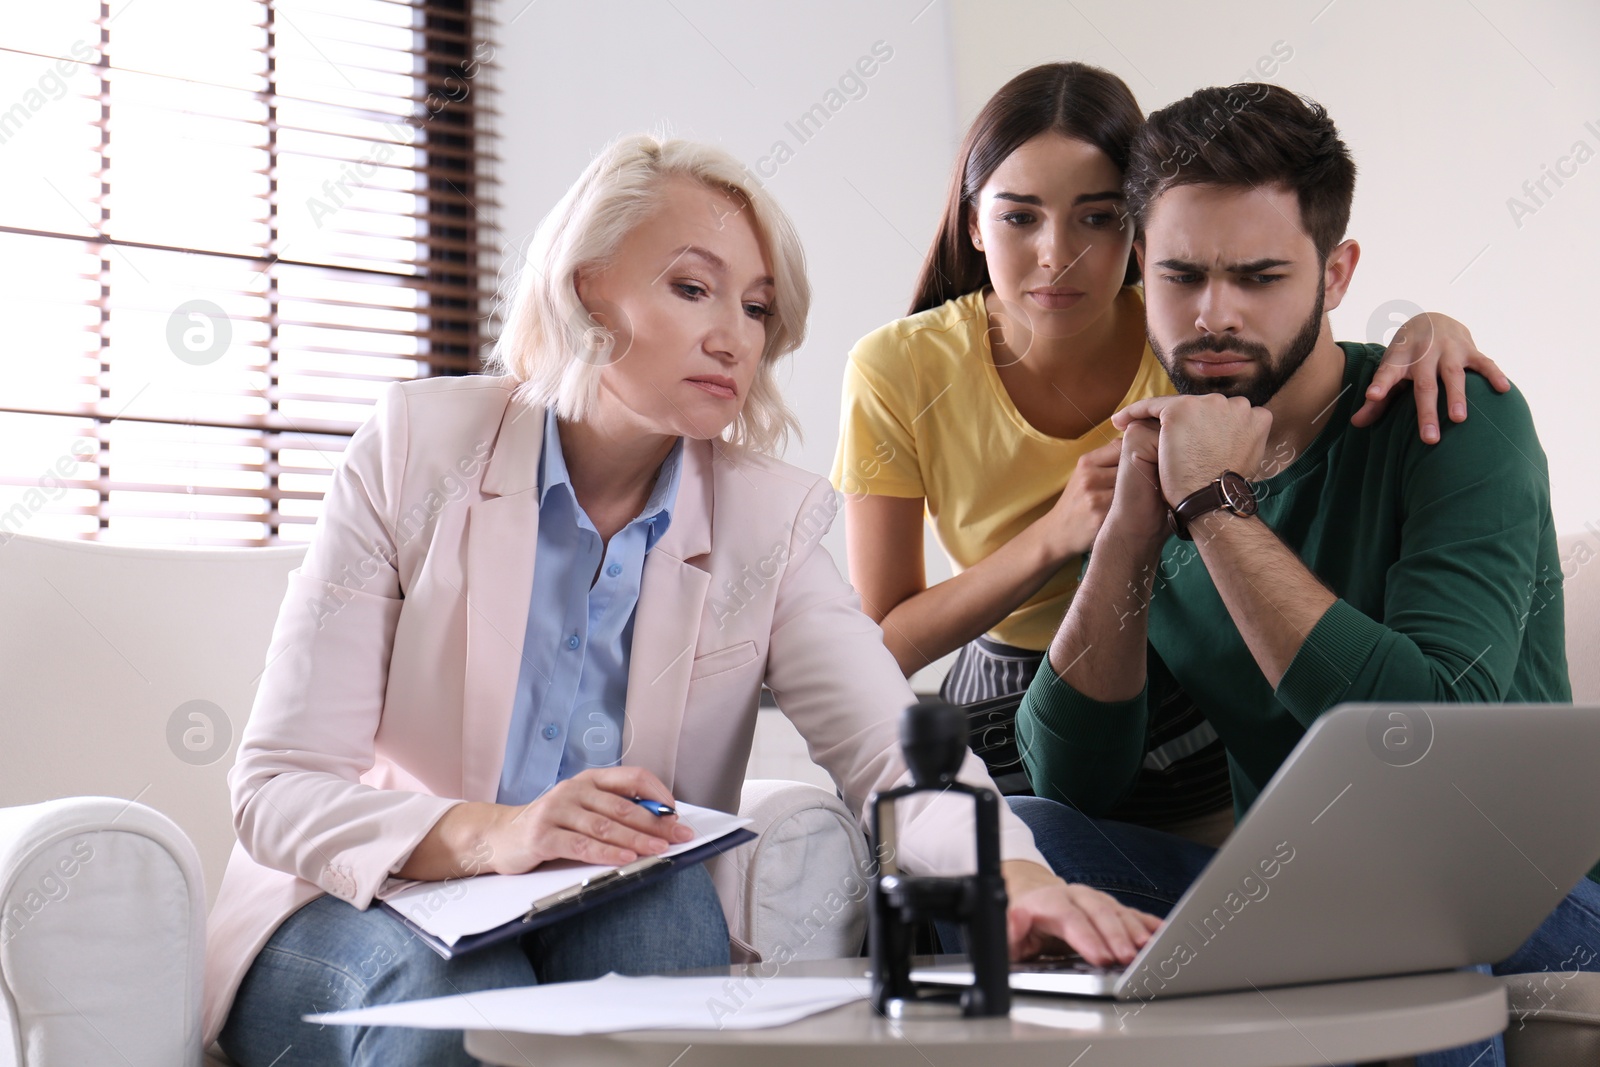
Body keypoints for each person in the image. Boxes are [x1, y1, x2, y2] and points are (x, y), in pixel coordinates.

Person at [202, 134, 1162, 1067]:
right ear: (587, 288)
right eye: (692, 288)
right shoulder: (416, 447)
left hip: (592, 896)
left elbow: (885, 742)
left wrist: (1018, 881)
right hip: (364, 898)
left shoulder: (765, 520)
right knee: (461, 1005)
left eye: (756, 308)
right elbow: (278, 786)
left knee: (664, 920)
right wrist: (496, 833)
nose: (732, 337)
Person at [1012, 82, 1596, 1067]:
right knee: (1020, 841)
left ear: (1334, 275)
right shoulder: (1168, 457)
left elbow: (1431, 738)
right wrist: (1130, 528)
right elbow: (1072, 777)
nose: (1213, 314)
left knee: (1394, 933)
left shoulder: (1452, 418)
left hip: (1526, 890)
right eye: (1181, 274)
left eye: (1258, 275)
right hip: (1292, 892)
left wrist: (1215, 507)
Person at [830, 62, 1507, 833]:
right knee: (990, 864)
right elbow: (879, 642)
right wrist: (1066, 532)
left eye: (1098, 217)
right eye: (1020, 217)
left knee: (1214, 865)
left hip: (1184, 670)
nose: (1059, 255)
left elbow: (1303, 337)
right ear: (974, 221)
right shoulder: (903, 367)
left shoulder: (1189, 340)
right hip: (1020, 678)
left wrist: (1429, 327)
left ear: (1136, 234)